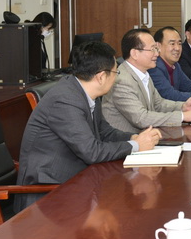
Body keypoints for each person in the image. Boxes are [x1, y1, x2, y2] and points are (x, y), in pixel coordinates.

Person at [15, 41, 161, 211]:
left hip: (78, 179)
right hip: (48, 193)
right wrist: (136, 145)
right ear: (101, 77)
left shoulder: (86, 91)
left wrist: (133, 138)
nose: (116, 78)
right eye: (116, 72)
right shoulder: (65, 100)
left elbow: (105, 131)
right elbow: (92, 152)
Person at [103, 29, 191, 132]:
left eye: (156, 49)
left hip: (145, 136)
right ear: (135, 53)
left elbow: (158, 104)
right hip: (127, 140)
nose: (157, 53)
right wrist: (182, 116)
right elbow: (141, 118)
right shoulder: (122, 81)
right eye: (152, 49)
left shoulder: (144, 73)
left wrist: (182, 106)